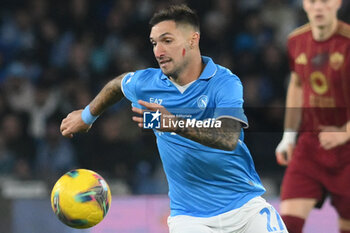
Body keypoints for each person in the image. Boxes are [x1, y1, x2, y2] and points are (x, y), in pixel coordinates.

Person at [61, 5, 287, 233]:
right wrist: (87, 115)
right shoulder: (148, 83)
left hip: (245, 209)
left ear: (192, 40)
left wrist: (173, 123)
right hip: (190, 219)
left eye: (167, 41)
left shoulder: (224, 82)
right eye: (154, 43)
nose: (158, 51)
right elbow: (118, 85)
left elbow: (228, 137)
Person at [275, 0, 350, 232]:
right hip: (310, 146)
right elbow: (297, 85)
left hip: (347, 153)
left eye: (325, 1)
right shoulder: (295, 41)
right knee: (286, 225)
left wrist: (345, 133)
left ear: (337, 3)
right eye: (312, 1)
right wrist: (288, 136)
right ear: (304, 5)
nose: (318, 7)